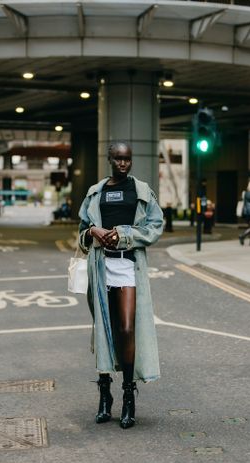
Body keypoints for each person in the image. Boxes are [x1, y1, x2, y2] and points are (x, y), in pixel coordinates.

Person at [78, 142, 163, 429]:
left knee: (126, 329)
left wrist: (124, 235)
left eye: (127, 159)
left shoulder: (141, 191)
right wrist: (93, 230)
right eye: (118, 159)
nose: (123, 164)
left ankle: (128, 394)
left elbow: (155, 226)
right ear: (110, 159)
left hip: (128, 266)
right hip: (101, 267)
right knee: (105, 330)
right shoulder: (95, 193)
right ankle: (105, 396)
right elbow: (80, 233)